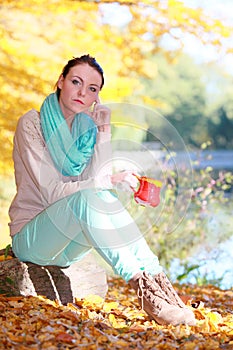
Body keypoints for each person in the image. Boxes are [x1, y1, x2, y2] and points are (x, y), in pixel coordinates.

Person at [8, 54, 196, 326]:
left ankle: (159, 283)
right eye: (76, 82)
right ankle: (144, 292)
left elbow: (98, 180)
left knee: (104, 198)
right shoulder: (31, 123)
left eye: (92, 89)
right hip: (33, 239)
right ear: (61, 82)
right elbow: (51, 192)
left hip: (68, 245)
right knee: (91, 196)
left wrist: (103, 131)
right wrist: (107, 181)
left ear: (97, 97)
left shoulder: (86, 133)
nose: (82, 93)